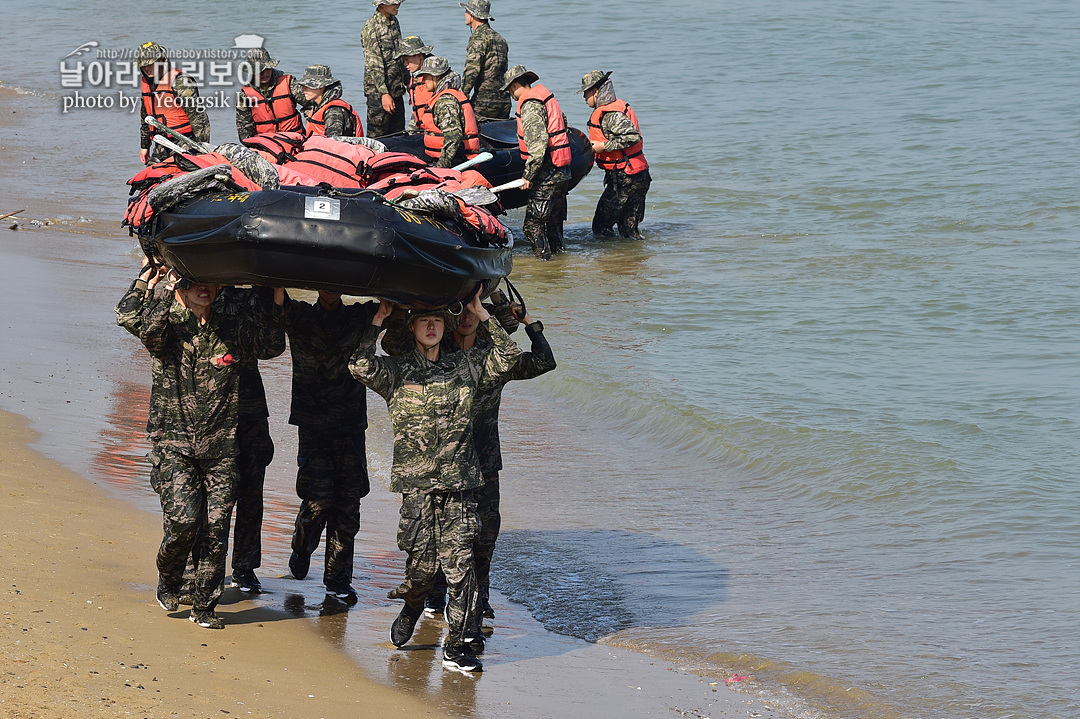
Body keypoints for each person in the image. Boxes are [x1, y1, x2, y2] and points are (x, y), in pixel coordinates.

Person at [348, 291, 524, 673]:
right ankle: (413, 604)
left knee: (461, 570)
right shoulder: (396, 372)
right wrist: (378, 319)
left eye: (438, 321)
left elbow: (508, 357)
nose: (431, 326)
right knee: (422, 572)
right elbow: (359, 365)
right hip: (418, 491)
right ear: (411, 327)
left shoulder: (465, 366)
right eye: (424, 320)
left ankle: (457, 647)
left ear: (445, 328)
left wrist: (482, 313)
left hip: (460, 487)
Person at [115, 262, 284, 629]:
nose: (203, 288)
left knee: (216, 528)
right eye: (195, 282)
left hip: (221, 450)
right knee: (183, 523)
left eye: (210, 282)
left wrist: (277, 294)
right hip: (174, 446)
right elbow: (130, 317)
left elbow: (272, 345)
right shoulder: (168, 331)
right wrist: (156, 281)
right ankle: (171, 576)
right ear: (182, 285)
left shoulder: (231, 331)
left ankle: (205, 606)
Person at [429, 294, 556, 631]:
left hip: (484, 462)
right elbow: (401, 344)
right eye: (463, 310)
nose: (469, 316)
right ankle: (437, 590)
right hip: (446, 463)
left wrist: (526, 323)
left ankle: (480, 594)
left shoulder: (493, 359)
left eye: (475, 311)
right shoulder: (437, 357)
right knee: (443, 532)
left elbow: (544, 361)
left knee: (486, 535)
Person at [283, 292, 378, 604]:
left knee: (348, 506)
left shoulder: (359, 316)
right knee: (318, 502)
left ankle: (338, 580)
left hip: (351, 424)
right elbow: (272, 299)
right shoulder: (299, 315)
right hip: (314, 425)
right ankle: (302, 546)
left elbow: (396, 308)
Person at [502, 65, 572, 259]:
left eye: (509, 89)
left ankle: (544, 266)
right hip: (562, 172)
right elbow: (563, 122)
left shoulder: (530, 104)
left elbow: (538, 147)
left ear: (516, 84)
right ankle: (561, 262)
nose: (510, 94)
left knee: (532, 227)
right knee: (553, 224)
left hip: (547, 174)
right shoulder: (543, 97)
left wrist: (527, 176)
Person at [579, 70, 651, 240]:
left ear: (595, 91)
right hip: (639, 175)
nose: (583, 96)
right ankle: (632, 262)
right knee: (629, 230)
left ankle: (611, 263)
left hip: (625, 178)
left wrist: (603, 146)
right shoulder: (615, 108)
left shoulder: (610, 114)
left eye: (586, 92)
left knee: (600, 227)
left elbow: (633, 137)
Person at [136, 41, 210, 164]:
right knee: (150, 174)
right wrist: (145, 147)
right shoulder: (147, 85)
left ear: (160, 60)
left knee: (185, 166)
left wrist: (202, 149)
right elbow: (146, 119)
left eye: (150, 64)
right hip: (162, 144)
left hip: (187, 141)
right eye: (143, 65)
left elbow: (199, 119)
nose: (147, 68)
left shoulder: (180, 82)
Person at [414, 56, 481, 168]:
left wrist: (441, 167)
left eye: (425, 76)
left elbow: (453, 137)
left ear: (436, 76)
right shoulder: (448, 95)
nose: (423, 81)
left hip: (458, 163)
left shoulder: (445, 101)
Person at [235, 47, 308, 141]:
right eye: (260, 71)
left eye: (267, 69)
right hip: (267, 146)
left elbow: (312, 105)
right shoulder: (244, 96)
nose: (265, 74)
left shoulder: (289, 83)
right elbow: (244, 131)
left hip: (295, 141)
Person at [362, 0, 408, 138]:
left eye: (399, 2)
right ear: (381, 4)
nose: (398, 5)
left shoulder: (394, 22)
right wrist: (384, 94)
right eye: (394, 3)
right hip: (378, 92)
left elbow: (400, 55)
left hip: (396, 88)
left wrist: (408, 81)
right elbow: (374, 64)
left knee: (398, 134)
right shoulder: (371, 28)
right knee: (378, 136)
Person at [459, 0, 510, 121]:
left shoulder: (478, 38)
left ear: (473, 14)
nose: (465, 13)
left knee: (473, 134)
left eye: (467, 11)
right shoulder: (500, 39)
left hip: (484, 102)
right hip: (504, 102)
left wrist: (462, 96)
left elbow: (472, 71)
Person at [298, 64, 362, 138]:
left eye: (308, 85)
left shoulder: (334, 111)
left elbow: (333, 144)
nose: (303, 89)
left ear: (322, 86)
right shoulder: (317, 106)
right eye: (303, 85)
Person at [396, 35, 434, 134]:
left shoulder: (434, 75)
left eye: (407, 60)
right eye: (403, 61)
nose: (405, 64)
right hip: (420, 125)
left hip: (433, 129)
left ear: (419, 55)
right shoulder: (416, 74)